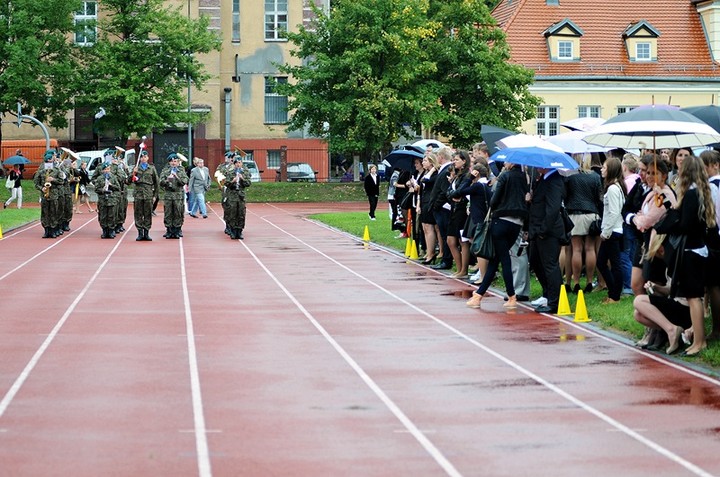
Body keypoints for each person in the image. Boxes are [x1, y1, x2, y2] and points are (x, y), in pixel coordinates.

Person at [654, 154, 716, 357]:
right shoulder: (701, 192)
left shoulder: (690, 195)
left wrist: (674, 214)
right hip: (699, 249)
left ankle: (699, 341)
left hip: (690, 251)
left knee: (693, 298)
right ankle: (699, 339)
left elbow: (685, 225)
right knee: (694, 297)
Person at [466, 161, 529, 309]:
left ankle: (512, 296)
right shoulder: (524, 178)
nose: (504, 163)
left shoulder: (505, 176)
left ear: (512, 163)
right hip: (517, 222)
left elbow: (494, 201)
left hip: (501, 221)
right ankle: (479, 295)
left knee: (504, 259)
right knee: (496, 259)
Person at [527, 167, 565, 314]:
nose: (536, 167)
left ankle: (555, 301)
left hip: (548, 231)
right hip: (537, 229)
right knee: (535, 261)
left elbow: (553, 208)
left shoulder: (554, 180)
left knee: (550, 265)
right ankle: (548, 293)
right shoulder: (543, 179)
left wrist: (544, 230)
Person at [564, 154, 603, 294]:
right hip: (591, 214)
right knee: (590, 249)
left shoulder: (569, 176)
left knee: (576, 249)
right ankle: (589, 281)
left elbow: (565, 195)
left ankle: (574, 282)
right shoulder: (595, 176)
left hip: (574, 214)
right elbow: (599, 198)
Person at [597, 157, 627, 304]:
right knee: (603, 262)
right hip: (613, 230)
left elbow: (614, 212)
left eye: (604, 167)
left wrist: (606, 232)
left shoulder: (614, 188)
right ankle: (613, 292)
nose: (602, 169)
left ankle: (615, 295)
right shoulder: (614, 187)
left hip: (612, 231)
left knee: (612, 264)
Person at [429, 147, 454, 270]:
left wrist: (436, 205)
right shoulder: (444, 170)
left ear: (440, 157)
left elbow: (444, 192)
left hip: (443, 209)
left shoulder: (446, 171)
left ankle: (447, 260)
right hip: (441, 208)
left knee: (446, 235)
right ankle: (446, 259)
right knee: (444, 235)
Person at [446, 150, 471, 278]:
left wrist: (455, 195)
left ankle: (463, 270)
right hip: (454, 209)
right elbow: (449, 192)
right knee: (450, 240)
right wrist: (453, 196)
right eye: (454, 159)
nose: (454, 162)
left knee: (463, 241)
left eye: (456, 160)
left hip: (461, 211)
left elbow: (460, 192)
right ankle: (459, 267)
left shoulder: (467, 175)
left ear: (464, 161)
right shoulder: (457, 175)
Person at [34, 150, 65, 238]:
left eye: (50, 159)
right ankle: (46, 230)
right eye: (48, 160)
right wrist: (42, 188)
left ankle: (53, 230)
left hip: (54, 194)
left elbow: (61, 181)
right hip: (44, 195)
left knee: (54, 212)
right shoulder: (41, 170)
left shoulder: (56, 169)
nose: (49, 161)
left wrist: (53, 180)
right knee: (45, 213)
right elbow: (36, 183)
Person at [129, 150, 159, 241]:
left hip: (148, 194)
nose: (143, 158)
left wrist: (155, 195)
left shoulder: (152, 168)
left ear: (148, 158)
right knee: (138, 214)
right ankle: (140, 232)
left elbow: (156, 182)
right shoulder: (136, 168)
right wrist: (132, 173)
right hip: (138, 194)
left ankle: (146, 232)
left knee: (147, 214)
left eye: (145, 157)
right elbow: (128, 181)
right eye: (141, 157)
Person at [159, 153, 189, 239]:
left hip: (178, 194)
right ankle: (169, 230)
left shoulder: (181, 170)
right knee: (168, 212)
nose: (173, 163)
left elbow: (184, 181)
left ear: (178, 162)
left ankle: (177, 230)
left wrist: (177, 176)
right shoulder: (165, 170)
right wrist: (167, 180)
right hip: (168, 194)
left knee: (178, 212)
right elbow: (161, 182)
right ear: (169, 162)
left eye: (175, 161)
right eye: (171, 161)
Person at [418, 153, 440, 264]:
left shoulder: (435, 174)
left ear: (431, 162)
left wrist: (432, 170)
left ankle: (431, 253)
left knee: (429, 228)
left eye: (425, 161)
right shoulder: (427, 173)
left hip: (429, 202)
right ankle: (428, 251)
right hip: (424, 202)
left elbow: (425, 181)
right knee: (425, 228)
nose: (423, 163)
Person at [225, 156, 252, 239]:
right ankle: (233, 231)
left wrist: (242, 178)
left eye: (239, 163)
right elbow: (226, 183)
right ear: (234, 164)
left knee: (241, 213)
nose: (238, 164)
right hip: (232, 195)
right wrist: (232, 181)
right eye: (236, 163)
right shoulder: (230, 173)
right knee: (233, 213)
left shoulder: (245, 172)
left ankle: (239, 231)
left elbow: (248, 183)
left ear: (242, 164)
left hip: (241, 196)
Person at [92, 161, 121, 239]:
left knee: (112, 215)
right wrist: (103, 190)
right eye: (105, 169)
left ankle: (111, 230)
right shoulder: (99, 178)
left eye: (108, 169)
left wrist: (112, 186)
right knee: (103, 216)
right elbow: (96, 189)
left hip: (112, 199)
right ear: (102, 170)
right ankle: (105, 231)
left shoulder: (113, 177)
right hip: (103, 200)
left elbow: (118, 188)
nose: (107, 170)